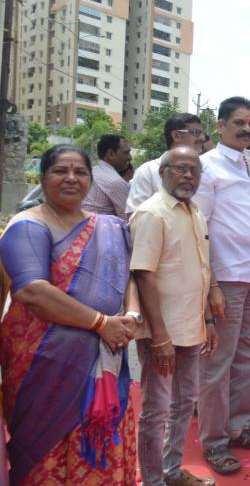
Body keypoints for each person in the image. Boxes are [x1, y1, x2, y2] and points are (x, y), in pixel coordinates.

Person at [0, 145, 137, 484]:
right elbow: (32, 291)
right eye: (61, 171)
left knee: (103, 442)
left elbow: (130, 275)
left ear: (91, 180)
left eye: (80, 172)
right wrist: (102, 323)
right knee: (43, 450)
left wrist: (131, 314)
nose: (71, 178)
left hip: (105, 358)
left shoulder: (109, 226)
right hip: (43, 364)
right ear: (43, 178)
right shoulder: (28, 226)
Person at [192, 97, 250, 476]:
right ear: (220, 127)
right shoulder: (207, 167)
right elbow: (200, 227)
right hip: (226, 278)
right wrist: (210, 286)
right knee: (217, 362)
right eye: (239, 122)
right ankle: (214, 441)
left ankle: (239, 425)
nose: (246, 129)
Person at [130, 146, 221, 486]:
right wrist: (160, 337)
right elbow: (143, 275)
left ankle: (171, 472)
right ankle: (153, 481)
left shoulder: (195, 212)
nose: (188, 175)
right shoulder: (152, 213)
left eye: (194, 170)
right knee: (155, 412)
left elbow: (200, 270)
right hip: (162, 334)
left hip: (191, 328)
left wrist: (208, 320)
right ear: (162, 172)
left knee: (184, 405)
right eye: (180, 168)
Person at [126, 113, 205, 215]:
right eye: (195, 133)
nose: (202, 138)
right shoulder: (148, 171)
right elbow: (134, 215)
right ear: (176, 135)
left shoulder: (206, 169)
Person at [82, 134, 132, 219]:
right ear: (111, 154)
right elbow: (128, 220)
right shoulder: (116, 182)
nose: (130, 157)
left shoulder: (92, 171)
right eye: (126, 153)